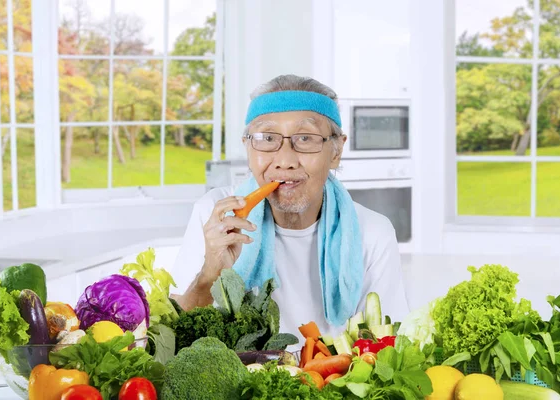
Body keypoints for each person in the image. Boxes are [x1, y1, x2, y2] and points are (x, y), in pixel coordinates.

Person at [171, 74, 409, 340]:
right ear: (247, 148)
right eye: (267, 138)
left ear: (336, 151)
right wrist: (209, 273)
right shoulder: (216, 215)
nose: (285, 161)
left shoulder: (373, 232)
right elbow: (172, 337)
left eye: (306, 138)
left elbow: (388, 345)